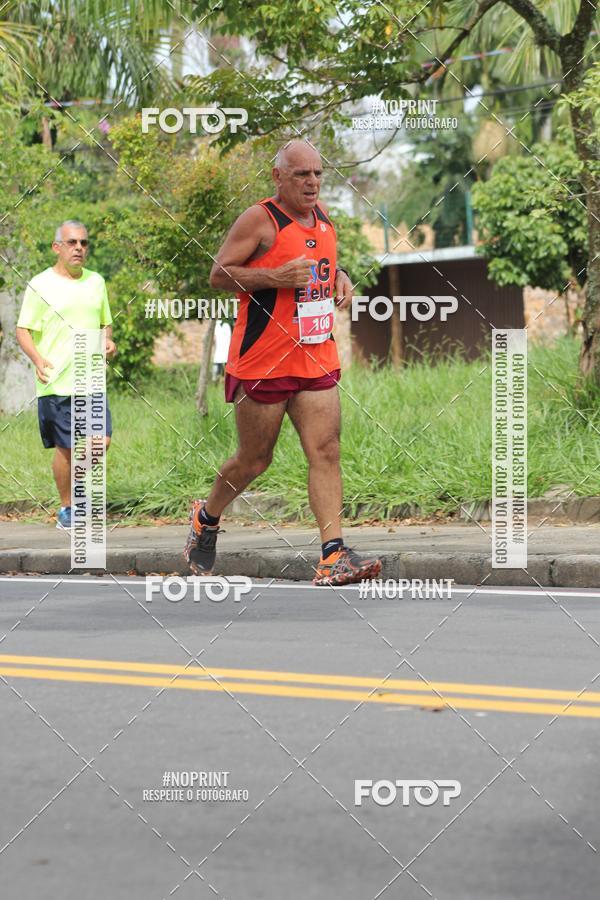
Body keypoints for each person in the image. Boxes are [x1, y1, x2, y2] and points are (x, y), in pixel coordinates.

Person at [184, 140, 382, 586]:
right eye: (301, 175)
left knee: (326, 449)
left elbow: (323, 261)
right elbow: (219, 274)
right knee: (255, 459)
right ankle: (207, 516)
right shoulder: (260, 219)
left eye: (317, 173)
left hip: (315, 354)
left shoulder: (323, 215)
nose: (312, 182)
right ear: (278, 177)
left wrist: (341, 276)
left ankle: (332, 556)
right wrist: (272, 277)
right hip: (264, 360)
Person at [16, 220, 116, 529]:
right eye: (72, 243)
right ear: (57, 247)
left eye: (84, 243)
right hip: (56, 379)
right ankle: (67, 508)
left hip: (91, 377)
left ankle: (77, 488)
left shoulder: (96, 282)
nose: (79, 249)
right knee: (67, 448)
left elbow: (105, 322)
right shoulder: (40, 284)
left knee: (102, 440)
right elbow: (23, 330)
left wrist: (108, 340)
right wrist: (37, 358)